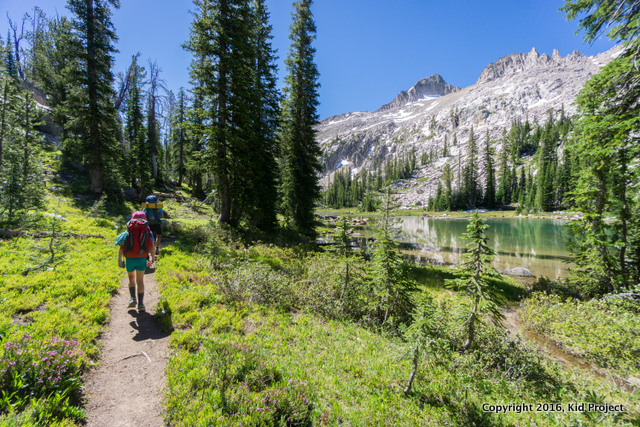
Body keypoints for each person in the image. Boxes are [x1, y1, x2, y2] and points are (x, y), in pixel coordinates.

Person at [115, 211, 155, 312]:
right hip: (141, 258)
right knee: (140, 281)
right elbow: (151, 247)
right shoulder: (146, 230)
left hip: (129, 258)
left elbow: (121, 247)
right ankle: (141, 304)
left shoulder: (129, 231)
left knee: (131, 278)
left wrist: (119, 260)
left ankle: (132, 298)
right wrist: (152, 258)